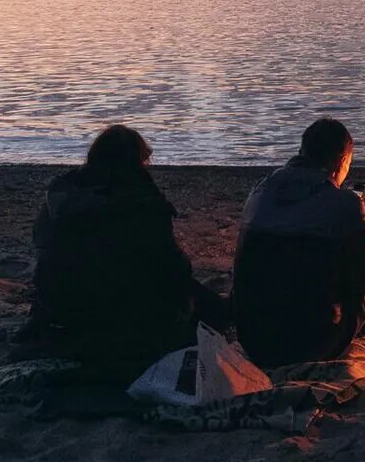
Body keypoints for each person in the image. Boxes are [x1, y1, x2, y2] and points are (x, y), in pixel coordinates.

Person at [16, 125, 219, 377]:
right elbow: (172, 268)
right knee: (208, 307)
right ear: (138, 162)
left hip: (56, 307)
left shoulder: (62, 195)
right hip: (115, 313)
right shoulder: (142, 202)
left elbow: (43, 245)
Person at [232, 117, 365, 367]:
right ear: (342, 161)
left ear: (302, 151)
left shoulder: (260, 190)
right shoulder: (345, 204)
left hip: (253, 338)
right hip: (310, 344)